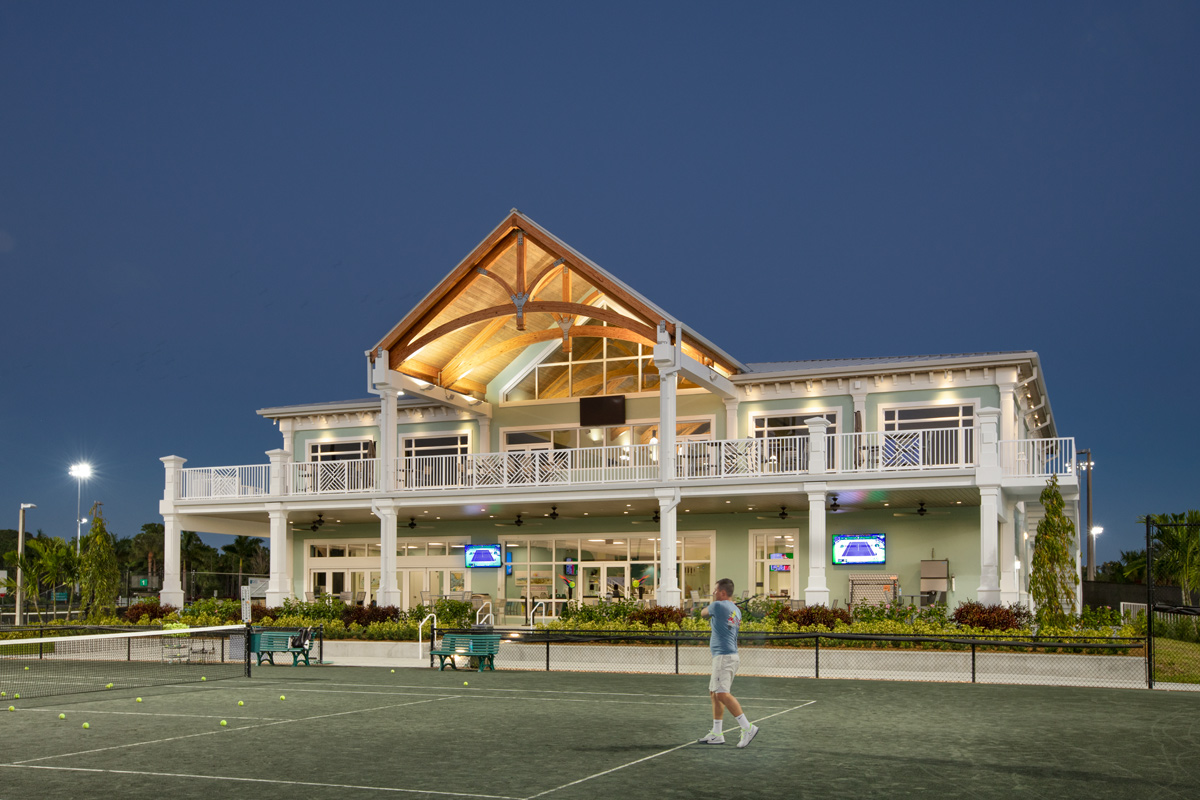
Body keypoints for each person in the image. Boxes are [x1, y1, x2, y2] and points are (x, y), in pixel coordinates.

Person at [697, 578, 758, 748]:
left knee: (722, 694)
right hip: (726, 656)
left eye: (715, 591)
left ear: (723, 593)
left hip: (724, 657)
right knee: (714, 693)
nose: (713, 593)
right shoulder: (735, 610)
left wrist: (714, 605)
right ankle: (717, 733)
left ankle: (748, 727)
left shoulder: (718, 606)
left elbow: (703, 613)